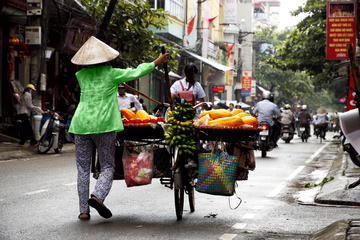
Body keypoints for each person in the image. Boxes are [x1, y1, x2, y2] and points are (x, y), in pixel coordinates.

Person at [68, 36, 169, 220]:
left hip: (81, 125)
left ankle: (83, 211)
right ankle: (97, 196)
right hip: (104, 124)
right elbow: (136, 72)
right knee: (107, 165)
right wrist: (157, 61)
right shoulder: (112, 73)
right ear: (106, 58)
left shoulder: (80, 76)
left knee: (82, 168)